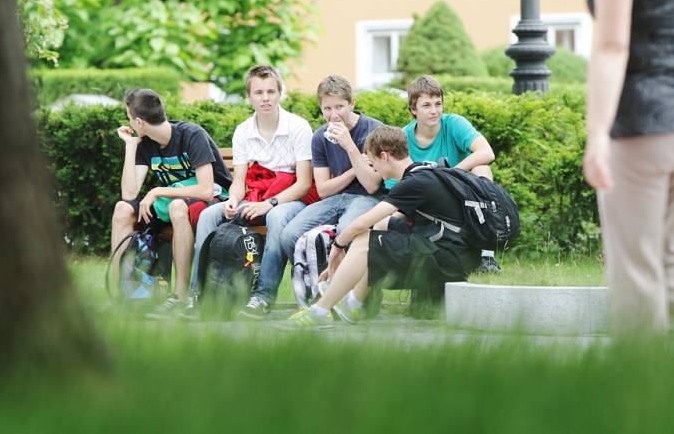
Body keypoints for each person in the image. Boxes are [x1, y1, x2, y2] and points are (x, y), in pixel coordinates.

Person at [584, 0, 674, 340]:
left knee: (636, 272)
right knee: (664, 254)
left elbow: (612, 46)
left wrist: (597, 135)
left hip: (642, 127)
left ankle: (641, 390)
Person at [282, 126, 481, 329]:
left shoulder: (414, 183)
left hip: (448, 260)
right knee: (372, 237)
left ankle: (321, 310)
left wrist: (337, 250)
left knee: (364, 239)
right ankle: (353, 304)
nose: (374, 170)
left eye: (373, 162)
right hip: (449, 250)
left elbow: (360, 223)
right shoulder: (423, 172)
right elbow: (381, 223)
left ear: (384, 156)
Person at [186, 65, 314, 320]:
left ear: (280, 94)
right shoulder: (243, 131)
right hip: (253, 197)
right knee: (210, 214)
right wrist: (233, 200)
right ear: (249, 96)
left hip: (290, 199)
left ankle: (262, 297)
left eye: (270, 91)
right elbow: (239, 181)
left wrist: (270, 204)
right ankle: (198, 293)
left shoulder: (298, 127)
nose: (265, 98)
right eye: (258, 92)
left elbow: (304, 183)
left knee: (277, 218)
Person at [110, 88, 232, 317]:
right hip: (171, 200)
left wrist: (157, 191)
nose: (129, 122)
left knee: (177, 207)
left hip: (214, 200)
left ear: (138, 121)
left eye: (129, 117)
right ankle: (119, 295)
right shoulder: (145, 143)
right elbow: (129, 193)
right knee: (122, 209)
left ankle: (180, 296)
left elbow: (206, 190)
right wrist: (130, 146)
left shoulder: (191, 134)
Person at [273, 74, 384, 306]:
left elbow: (372, 184)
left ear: (352, 103)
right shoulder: (320, 137)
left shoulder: (373, 131)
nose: (334, 115)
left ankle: (359, 299)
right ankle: (322, 287)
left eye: (340, 107)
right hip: (337, 198)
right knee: (289, 235)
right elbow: (323, 190)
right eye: (327, 108)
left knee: (348, 230)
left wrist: (350, 146)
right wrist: (356, 169)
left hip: (368, 198)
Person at [399, 75, 499, 273]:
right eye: (426, 105)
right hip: (425, 201)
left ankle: (487, 256)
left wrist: (451, 175)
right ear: (413, 109)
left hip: (460, 191)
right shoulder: (403, 137)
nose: (434, 111)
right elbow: (398, 183)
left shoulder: (453, 124)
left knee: (483, 169)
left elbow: (487, 152)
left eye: (438, 104)